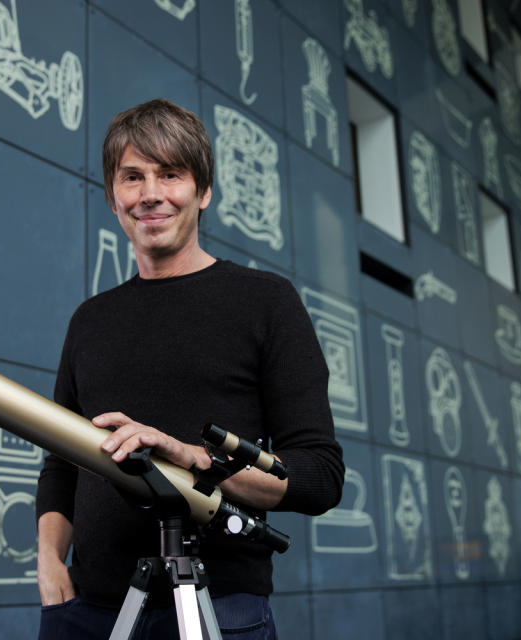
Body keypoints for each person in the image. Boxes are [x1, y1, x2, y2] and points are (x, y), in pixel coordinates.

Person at [35, 98, 344, 639]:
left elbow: (318, 475)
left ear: (203, 192)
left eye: (170, 174)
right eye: (132, 176)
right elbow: (62, 463)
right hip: (87, 610)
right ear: (113, 198)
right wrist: (49, 561)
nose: (150, 193)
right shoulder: (90, 320)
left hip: (219, 609)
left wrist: (194, 460)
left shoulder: (265, 302)